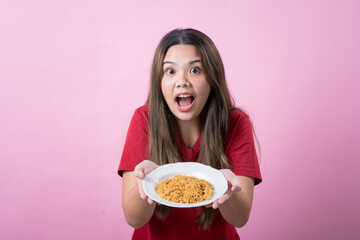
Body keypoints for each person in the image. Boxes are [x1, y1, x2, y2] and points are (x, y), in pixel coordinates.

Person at [118, 28, 262, 240]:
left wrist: (228, 191)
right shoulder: (144, 120)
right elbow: (134, 219)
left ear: (212, 78)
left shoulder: (237, 123)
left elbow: (240, 218)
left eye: (195, 70)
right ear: (159, 81)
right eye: (170, 71)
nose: (182, 81)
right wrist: (147, 184)